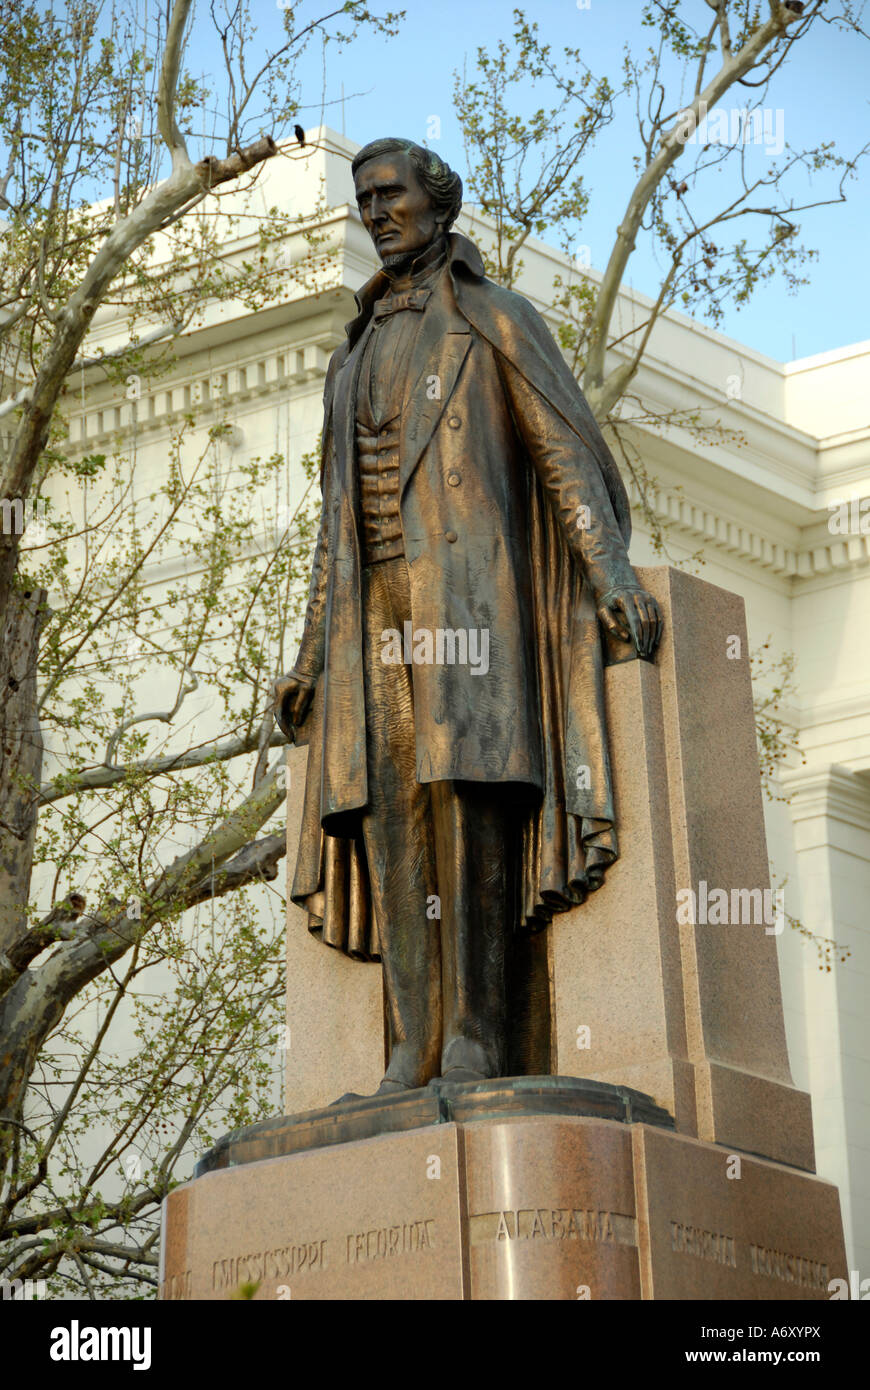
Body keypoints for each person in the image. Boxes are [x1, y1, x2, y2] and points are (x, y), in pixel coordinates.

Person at [274, 138, 662, 1095]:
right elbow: (333, 526)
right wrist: (311, 658)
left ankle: (478, 1037)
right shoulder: (348, 358)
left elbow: (565, 450)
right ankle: (412, 1048)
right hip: (374, 612)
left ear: (436, 203)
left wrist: (608, 567)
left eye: (390, 194)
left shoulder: (494, 320)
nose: (375, 211)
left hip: (467, 599)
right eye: (363, 198)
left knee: (467, 807)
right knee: (391, 820)